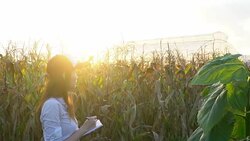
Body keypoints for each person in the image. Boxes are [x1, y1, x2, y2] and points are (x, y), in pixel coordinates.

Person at [38, 55, 96, 141]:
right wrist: (84, 129)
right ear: (63, 75)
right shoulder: (51, 105)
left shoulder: (63, 103)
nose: (76, 77)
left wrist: (87, 127)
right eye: (73, 72)